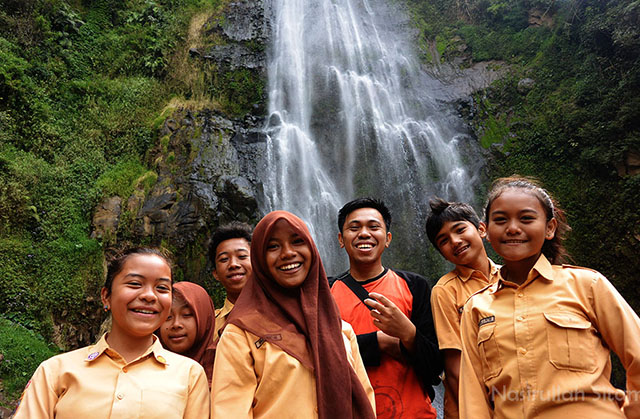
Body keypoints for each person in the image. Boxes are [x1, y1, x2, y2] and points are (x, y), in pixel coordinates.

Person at [459, 176, 640, 418]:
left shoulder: (587, 285)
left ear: (549, 228)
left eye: (526, 218)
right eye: (500, 220)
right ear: (487, 232)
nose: (513, 228)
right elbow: (474, 399)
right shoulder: (476, 308)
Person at [211, 211, 376, 418]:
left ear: (312, 250)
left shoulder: (341, 329)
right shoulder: (240, 334)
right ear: (260, 260)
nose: (288, 253)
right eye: (273, 246)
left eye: (297, 241)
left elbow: (365, 400)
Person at [13, 247, 210, 418]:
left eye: (161, 288)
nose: (150, 296)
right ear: (106, 296)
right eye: (134, 284)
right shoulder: (55, 371)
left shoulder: (190, 375)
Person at [330, 197, 442, 418]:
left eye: (373, 227)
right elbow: (321, 356)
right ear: (341, 240)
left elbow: (435, 366)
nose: (364, 233)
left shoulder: (414, 286)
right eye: (354, 228)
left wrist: (408, 334)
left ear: (387, 238)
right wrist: (378, 342)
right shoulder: (325, 291)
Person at [425, 198, 499, 419]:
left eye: (460, 230)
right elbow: (454, 368)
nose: (455, 241)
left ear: (482, 229)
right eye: (444, 241)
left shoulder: (510, 277)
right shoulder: (445, 291)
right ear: (442, 253)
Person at [159, 281, 216, 386]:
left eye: (187, 315)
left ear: (204, 320)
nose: (176, 324)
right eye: (168, 317)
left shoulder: (221, 366)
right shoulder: (146, 368)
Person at [210, 222, 253, 339]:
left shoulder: (279, 314)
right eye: (224, 259)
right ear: (215, 274)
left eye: (242, 256)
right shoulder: (209, 326)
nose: (233, 264)